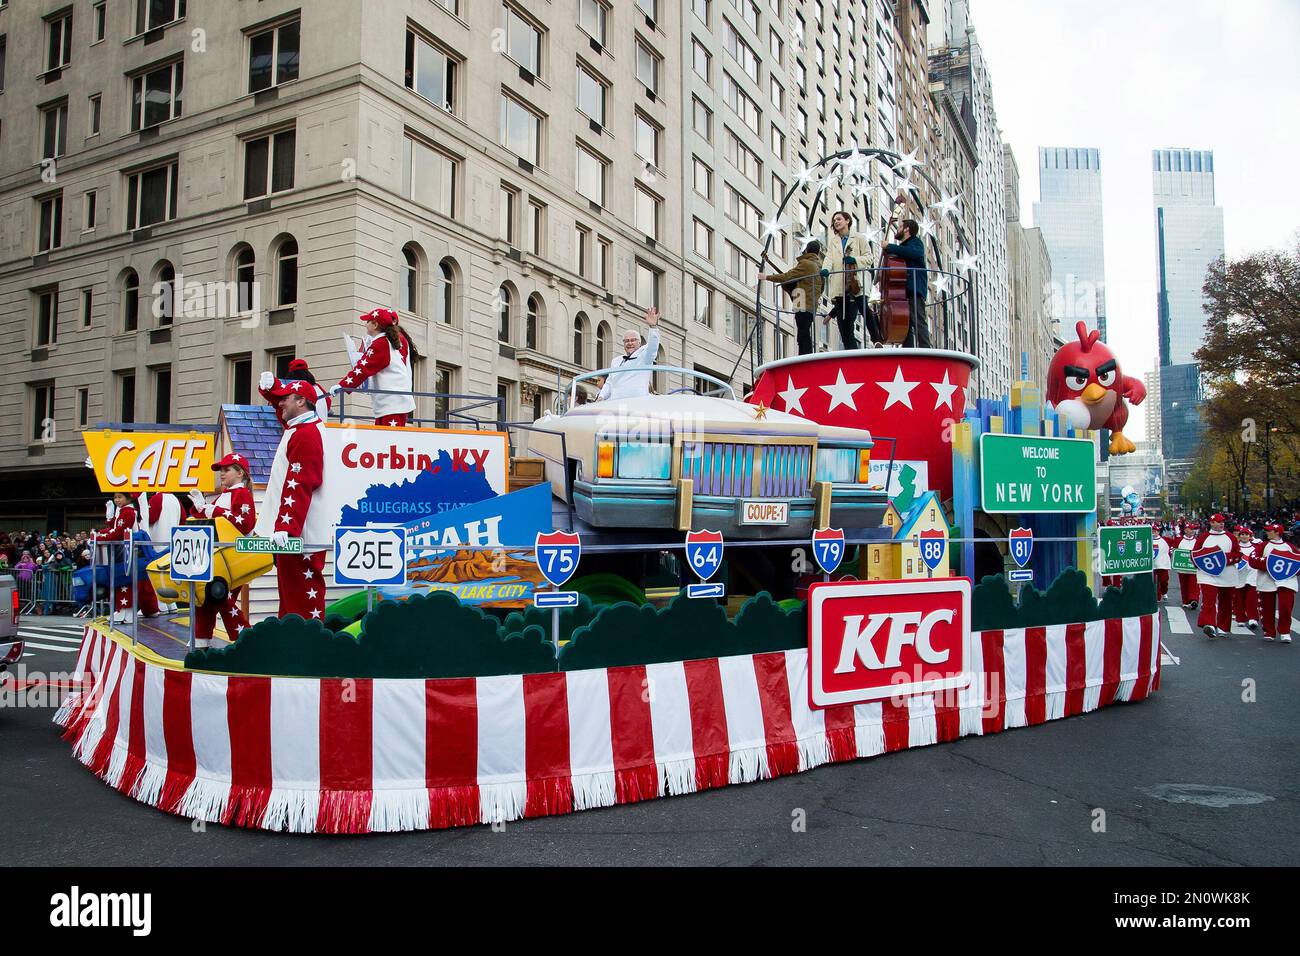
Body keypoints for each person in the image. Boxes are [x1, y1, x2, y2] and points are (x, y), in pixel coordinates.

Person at [255, 374, 328, 622]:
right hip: (296, 533)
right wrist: (271, 389)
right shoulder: (300, 427)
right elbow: (282, 408)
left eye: (285, 399)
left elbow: (302, 482)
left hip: (298, 535)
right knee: (292, 600)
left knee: (300, 602)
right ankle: (292, 647)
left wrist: (287, 526)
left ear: (301, 402)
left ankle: (306, 651)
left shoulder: (305, 434)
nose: (280, 404)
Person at [188, 453, 257, 648]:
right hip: (219, 557)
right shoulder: (225, 495)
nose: (222, 474)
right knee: (209, 598)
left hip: (234, 558)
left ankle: (246, 641)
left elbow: (244, 524)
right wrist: (199, 507)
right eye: (221, 470)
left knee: (220, 598)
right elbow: (212, 520)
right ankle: (202, 640)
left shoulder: (242, 494)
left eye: (226, 470)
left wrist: (213, 510)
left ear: (240, 473)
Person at [331, 307, 418, 427]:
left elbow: (363, 368)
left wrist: (342, 385)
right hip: (392, 403)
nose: (365, 325)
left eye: (368, 321)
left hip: (391, 404)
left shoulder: (381, 343)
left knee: (388, 442)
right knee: (385, 441)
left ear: (375, 324)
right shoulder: (386, 341)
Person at [96, 492, 161, 624]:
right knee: (124, 583)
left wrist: (100, 537)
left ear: (129, 498)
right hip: (124, 551)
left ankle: (126, 610)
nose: (117, 500)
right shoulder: (125, 511)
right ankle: (124, 610)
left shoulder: (129, 512)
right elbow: (114, 528)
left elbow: (118, 533)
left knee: (124, 582)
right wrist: (109, 519)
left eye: (120, 497)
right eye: (115, 497)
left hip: (126, 552)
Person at [759, 241, 825, 356]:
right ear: (818, 252)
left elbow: (787, 276)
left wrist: (766, 277)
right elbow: (821, 288)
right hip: (811, 305)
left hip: (802, 303)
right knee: (804, 333)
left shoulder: (806, 264)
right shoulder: (819, 267)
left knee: (802, 335)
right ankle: (806, 357)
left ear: (807, 250)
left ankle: (805, 359)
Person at [820, 211, 875, 349]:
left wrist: (855, 260)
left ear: (848, 221)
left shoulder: (859, 238)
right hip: (840, 285)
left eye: (839, 219)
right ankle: (851, 351)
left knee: (864, 310)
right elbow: (829, 258)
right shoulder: (834, 241)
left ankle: (877, 339)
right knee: (843, 323)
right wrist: (826, 269)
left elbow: (870, 257)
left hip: (856, 283)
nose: (836, 222)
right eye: (834, 220)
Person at [881, 218, 930, 348]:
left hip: (914, 288)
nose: (898, 229)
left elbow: (913, 253)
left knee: (918, 320)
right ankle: (908, 348)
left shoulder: (916, 242)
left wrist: (890, 247)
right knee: (905, 322)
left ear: (907, 229)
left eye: (900, 226)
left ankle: (925, 348)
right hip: (902, 290)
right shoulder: (901, 247)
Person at [598, 307, 661, 401]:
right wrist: (601, 397)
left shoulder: (644, 356)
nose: (629, 343)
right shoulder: (616, 361)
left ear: (639, 343)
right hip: (616, 404)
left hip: (636, 403)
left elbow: (653, 347)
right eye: (626, 341)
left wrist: (653, 327)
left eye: (633, 340)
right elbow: (609, 383)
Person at [1194, 513, 1240, 639]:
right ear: (1211, 523)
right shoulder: (1203, 538)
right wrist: (1201, 564)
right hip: (1208, 574)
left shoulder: (1231, 537)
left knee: (1226, 601)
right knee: (1209, 599)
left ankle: (1223, 627)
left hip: (1227, 573)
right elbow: (1195, 555)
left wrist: (1224, 559)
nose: (1221, 524)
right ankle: (1209, 624)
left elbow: (1237, 554)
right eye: (1218, 522)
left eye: (1222, 521)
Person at [1252, 522, 1297, 642]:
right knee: (1266, 607)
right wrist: (1269, 563)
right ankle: (1269, 631)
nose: (1266, 532)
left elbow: (1297, 563)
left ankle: (1285, 631)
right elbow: (1253, 560)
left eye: (1269, 530)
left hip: (1286, 581)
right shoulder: (1263, 546)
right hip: (1266, 580)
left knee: (1286, 607)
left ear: (1277, 532)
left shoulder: (1289, 547)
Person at [1232, 525, 1260, 631]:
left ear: (1250, 536)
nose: (1244, 536)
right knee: (1239, 598)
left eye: (1246, 534)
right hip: (1239, 577)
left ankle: (1253, 618)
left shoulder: (1255, 548)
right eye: (1242, 534)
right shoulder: (1236, 547)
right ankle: (1240, 618)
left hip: (1252, 576)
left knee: (1251, 598)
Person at [1174, 521, 1200, 609]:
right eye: (1189, 529)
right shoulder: (1179, 540)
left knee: (1194, 584)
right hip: (1182, 567)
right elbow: (1173, 550)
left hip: (1193, 567)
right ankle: (1185, 601)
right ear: (1185, 530)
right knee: (1184, 584)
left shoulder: (1197, 541)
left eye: (1192, 529)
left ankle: (1194, 600)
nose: (1191, 531)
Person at [1152, 522, 1171, 604]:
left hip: (1163, 564)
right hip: (1152, 564)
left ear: (1158, 532)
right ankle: (1157, 597)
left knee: (1164, 580)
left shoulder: (1165, 539)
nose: (1154, 532)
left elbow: (1177, 542)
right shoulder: (1147, 540)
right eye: (1152, 531)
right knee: (1154, 581)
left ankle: (1164, 592)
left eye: (1155, 531)